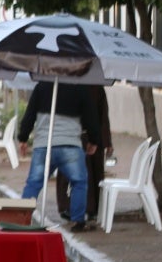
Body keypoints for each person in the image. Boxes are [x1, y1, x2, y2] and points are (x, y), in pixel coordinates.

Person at [18, 81, 100, 232]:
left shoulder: (42, 86)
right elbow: (91, 117)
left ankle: (21, 219)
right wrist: (93, 140)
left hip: (44, 145)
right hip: (70, 145)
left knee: (33, 184)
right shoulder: (80, 87)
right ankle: (78, 221)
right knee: (79, 182)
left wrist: (23, 138)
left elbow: (29, 114)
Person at [56, 85, 113, 222]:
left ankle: (91, 209)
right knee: (66, 174)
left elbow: (103, 115)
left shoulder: (96, 87)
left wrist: (107, 142)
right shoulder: (64, 85)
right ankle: (66, 207)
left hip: (90, 137)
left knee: (92, 174)